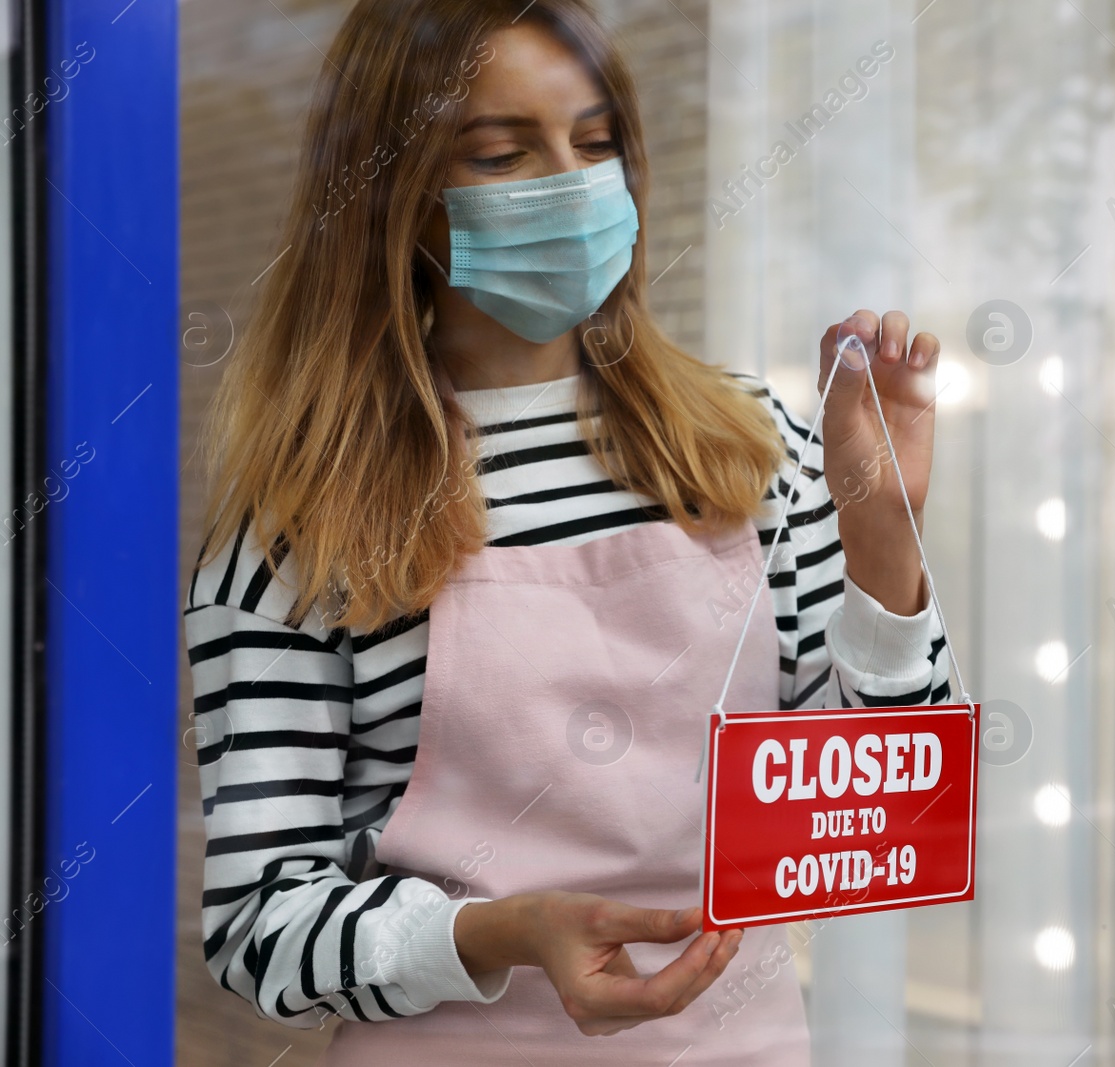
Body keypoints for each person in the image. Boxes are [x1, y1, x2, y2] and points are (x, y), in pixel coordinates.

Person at [183, 0, 949, 1062]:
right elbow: (257, 930)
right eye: (503, 152)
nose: (571, 184)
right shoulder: (295, 538)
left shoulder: (756, 443)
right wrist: (498, 931)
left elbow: (893, 807)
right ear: (395, 199)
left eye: (595, 145)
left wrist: (880, 537)